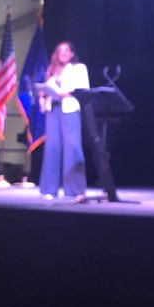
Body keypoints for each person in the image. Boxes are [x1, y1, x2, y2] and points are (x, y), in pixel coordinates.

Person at [37, 41, 88, 201]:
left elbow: (83, 89)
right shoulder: (51, 70)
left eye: (66, 50)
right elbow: (47, 89)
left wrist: (64, 93)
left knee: (72, 147)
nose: (63, 53)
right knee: (52, 148)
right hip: (53, 110)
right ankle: (49, 189)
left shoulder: (79, 68)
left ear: (72, 53)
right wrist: (43, 94)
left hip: (69, 109)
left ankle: (75, 189)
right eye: (60, 50)